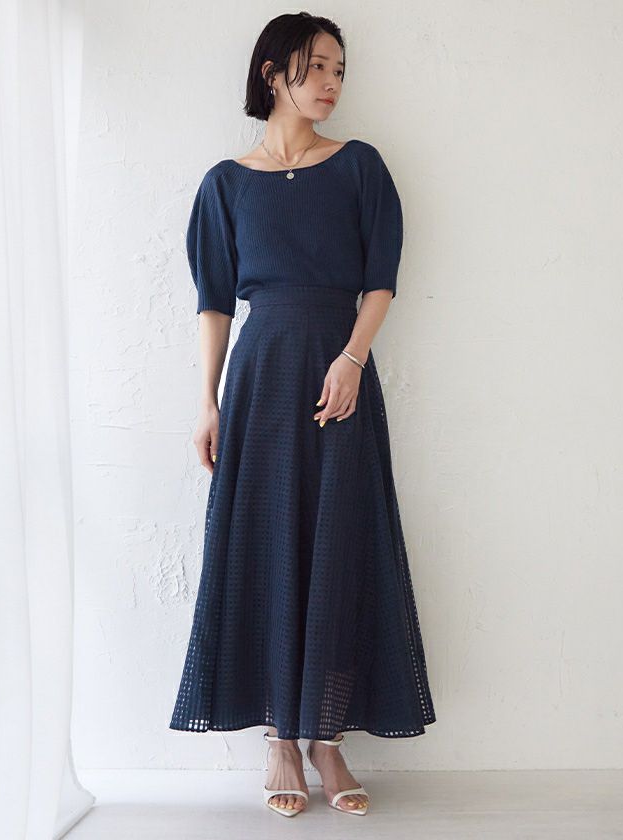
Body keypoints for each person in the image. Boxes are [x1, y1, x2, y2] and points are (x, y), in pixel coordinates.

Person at [169, 11, 436, 818]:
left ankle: (326, 737)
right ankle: (280, 738)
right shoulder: (225, 184)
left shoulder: (359, 167)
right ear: (272, 73)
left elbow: (381, 279)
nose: (331, 82)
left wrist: (352, 359)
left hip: (336, 375)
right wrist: (208, 401)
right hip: (260, 380)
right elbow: (215, 303)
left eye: (339, 69)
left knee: (340, 543)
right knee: (265, 545)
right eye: (317, 66)